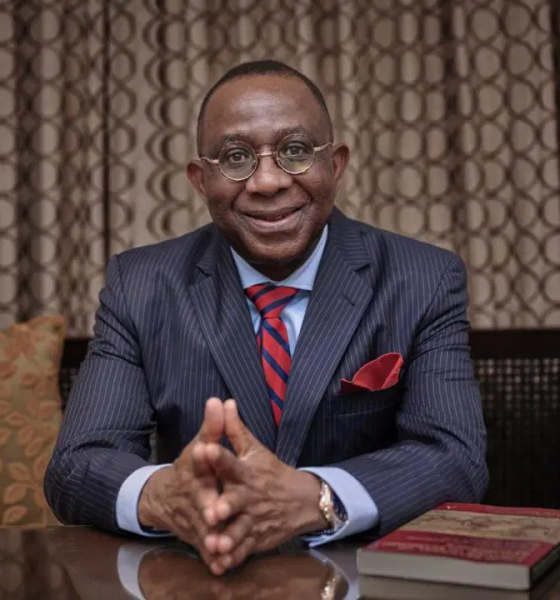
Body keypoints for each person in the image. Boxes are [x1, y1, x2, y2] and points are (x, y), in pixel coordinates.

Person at [44, 59, 488, 575]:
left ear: (336, 164)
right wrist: (164, 496)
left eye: (296, 151)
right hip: (202, 578)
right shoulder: (141, 286)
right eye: (235, 157)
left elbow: (453, 458)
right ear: (200, 180)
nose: (268, 181)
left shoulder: (422, 279)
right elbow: (77, 464)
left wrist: (316, 498)